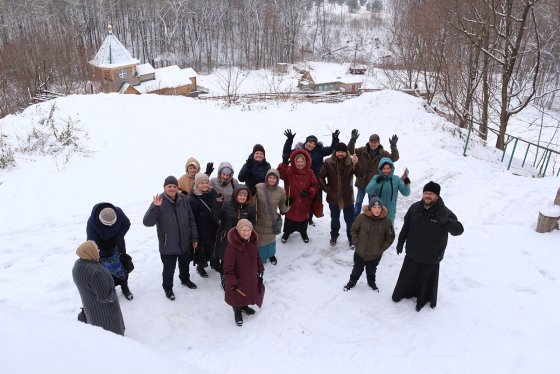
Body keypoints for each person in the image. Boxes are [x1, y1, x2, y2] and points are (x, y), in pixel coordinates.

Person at [392, 181, 464, 311]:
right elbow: (406, 226)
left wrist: (447, 222)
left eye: (431, 194)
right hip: (413, 252)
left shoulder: (445, 212)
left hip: (431, 256)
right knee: (408, 277)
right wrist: (400, 241)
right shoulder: (414, 208)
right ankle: (403, 293)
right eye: (425, 193)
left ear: (437, 196)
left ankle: (422, 299)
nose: (427, 196)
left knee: (424, 281)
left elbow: (458, 231)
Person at [143, 176, 199, 300]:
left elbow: (191, 219)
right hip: (168, 245)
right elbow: (147, 222)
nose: (172, 188)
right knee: (169, 269)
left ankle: (185, 280)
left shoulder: (184, 199)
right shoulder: (159, 201)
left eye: (174, 186)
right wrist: (155, 206)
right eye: (169, 186)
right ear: (164, 188)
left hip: (184, 242)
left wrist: (194, 238)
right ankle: (168, 288)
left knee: (184, 265)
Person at [282, 128, 340, 226]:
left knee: (314, 200)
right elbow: (286, 152)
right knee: (302, 200)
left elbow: (331, 149)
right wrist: (289, 140)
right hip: (301, 180)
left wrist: (335, 139)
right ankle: (302, 218)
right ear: (306, 142)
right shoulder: (299, 150)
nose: (312, 145)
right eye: (310, 142)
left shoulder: (319, 150)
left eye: (314, 143)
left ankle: (310, 218)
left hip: (315, 180)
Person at [72, 240, 125, 335]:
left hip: (91, 308)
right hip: (104, 314)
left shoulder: (78, 264)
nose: (99, 250)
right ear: (90, 252)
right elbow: (105, 297)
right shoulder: (95, 272)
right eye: (96, 248)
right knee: (111, 334)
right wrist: (113, 293)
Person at [344, 197, 395, 292]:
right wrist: (356, 243)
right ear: (370, 208)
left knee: (371, 271)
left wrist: (382, 248)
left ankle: (371, 282)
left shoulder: (386, 221)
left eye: (379, 207)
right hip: (360, 252)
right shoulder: (362, 218)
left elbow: (390, 236)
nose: (377, 210)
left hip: (375, 254)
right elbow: (354, 229)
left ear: (382, 208)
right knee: (357, 269)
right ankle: (352, 281)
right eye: (374, 207)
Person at [317, 142, 362, 247]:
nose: (340, 154)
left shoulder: (351, 162)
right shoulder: (328, 162)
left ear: (346, 152)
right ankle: (334, 235)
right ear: (335, 152)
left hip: (348, 198)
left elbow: (361, 175)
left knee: (350, 221)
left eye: (343, 151)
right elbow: (320, 177)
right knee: (335, 219)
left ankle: (351, 239)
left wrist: (356, 164)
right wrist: (327, 189)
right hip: (333, 198)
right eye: (338, 151)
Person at [86, 202, 134, 300]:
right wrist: (104, 250)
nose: (110, 226)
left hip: (117, 247)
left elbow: (126, 224)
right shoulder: (92, 223)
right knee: (107, 273)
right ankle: (111, 290)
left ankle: (125, 287)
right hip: (102, 251)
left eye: (113, 223)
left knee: (123, 268)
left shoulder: (118, 212)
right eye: (107, 224)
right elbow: (92, 243)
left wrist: (117, 238)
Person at [348, 130, 399, 218]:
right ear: (369, 142)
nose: (373, 144)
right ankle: (355, 216)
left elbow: (394, 158)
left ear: (379, 143)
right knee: (359, 201)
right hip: (362, 181)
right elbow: (350, 151)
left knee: (373, 201)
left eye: (375, 142)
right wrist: (352, 140)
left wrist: (393, 146)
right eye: (372, 142)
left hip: (374, 183)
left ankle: (372, 217)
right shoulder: (361, 150)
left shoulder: (384, 154)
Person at [223, 219, 265, 327]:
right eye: (243, 230)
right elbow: (228, 268)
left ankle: (244, 306)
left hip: (250, 278)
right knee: (237, 297)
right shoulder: (232, 248)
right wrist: (232, 282)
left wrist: (260, 268)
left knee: (247, 295)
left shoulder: (252, 244)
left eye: (248, 230)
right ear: (238, 231)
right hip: (237, 281)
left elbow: (257, 257)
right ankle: (237, 311)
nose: (246, 233)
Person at [213, 185, 256, 285]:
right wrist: (218, 204)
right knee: (226, 260)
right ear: (235, 195)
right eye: (240, 195)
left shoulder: (250, 207)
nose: (242, 197)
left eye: (244, 195)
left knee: (239, 260)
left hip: (242, 239)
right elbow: (214, 216)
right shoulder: (226, 205)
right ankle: (225, 277)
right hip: (226, 238)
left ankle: (237, 277)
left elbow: (252, 223)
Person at [277, 149, 319, 243]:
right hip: (291, 201)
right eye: (298, 162)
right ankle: (287, 233)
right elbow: (279, 174)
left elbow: (315, 185)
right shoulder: (288, 170)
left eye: (302, 161)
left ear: (306, 161)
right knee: (289, 220)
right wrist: (284, 164)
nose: (300, 164)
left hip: (305, 202)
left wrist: (309, 192)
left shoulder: (310, 172)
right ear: (294, 162)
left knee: (303, 220)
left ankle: (303, 233)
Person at [254, 168, 289, 265]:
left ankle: (271, 255)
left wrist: (288, 203)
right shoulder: (258, 187)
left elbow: (283, 209)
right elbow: (252, 202)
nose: (272, 180)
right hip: (259, 220)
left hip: (271, 221)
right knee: (258, 241)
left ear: (277, 180)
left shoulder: (281, 191)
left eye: (274, 178)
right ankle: (258, 258)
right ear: (266, 178)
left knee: (270, 242)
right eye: (270, 177)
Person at [188, 172, 218, 278]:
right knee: (201, 250)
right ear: (196, 184)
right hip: (200, 229)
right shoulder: (192, 199)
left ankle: (214, 264)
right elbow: (191, 218)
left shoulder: (213, 192)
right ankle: (200, 267)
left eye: (206, 182)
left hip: (213, 227)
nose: (205, 185)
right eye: (202, 183)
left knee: (213, 247)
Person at [364, 157, 411, 224]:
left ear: (391, 169)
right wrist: (376, 181)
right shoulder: (376, 178)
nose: (386, 171)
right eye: (384, 169)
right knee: (377, 232)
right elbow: (368, 190)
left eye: (388, 168)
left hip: (391, 213)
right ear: (380, 169)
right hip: (377, 211)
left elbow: (406, 193)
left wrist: (406, 183)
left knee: (389, 232)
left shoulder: (396, 179)